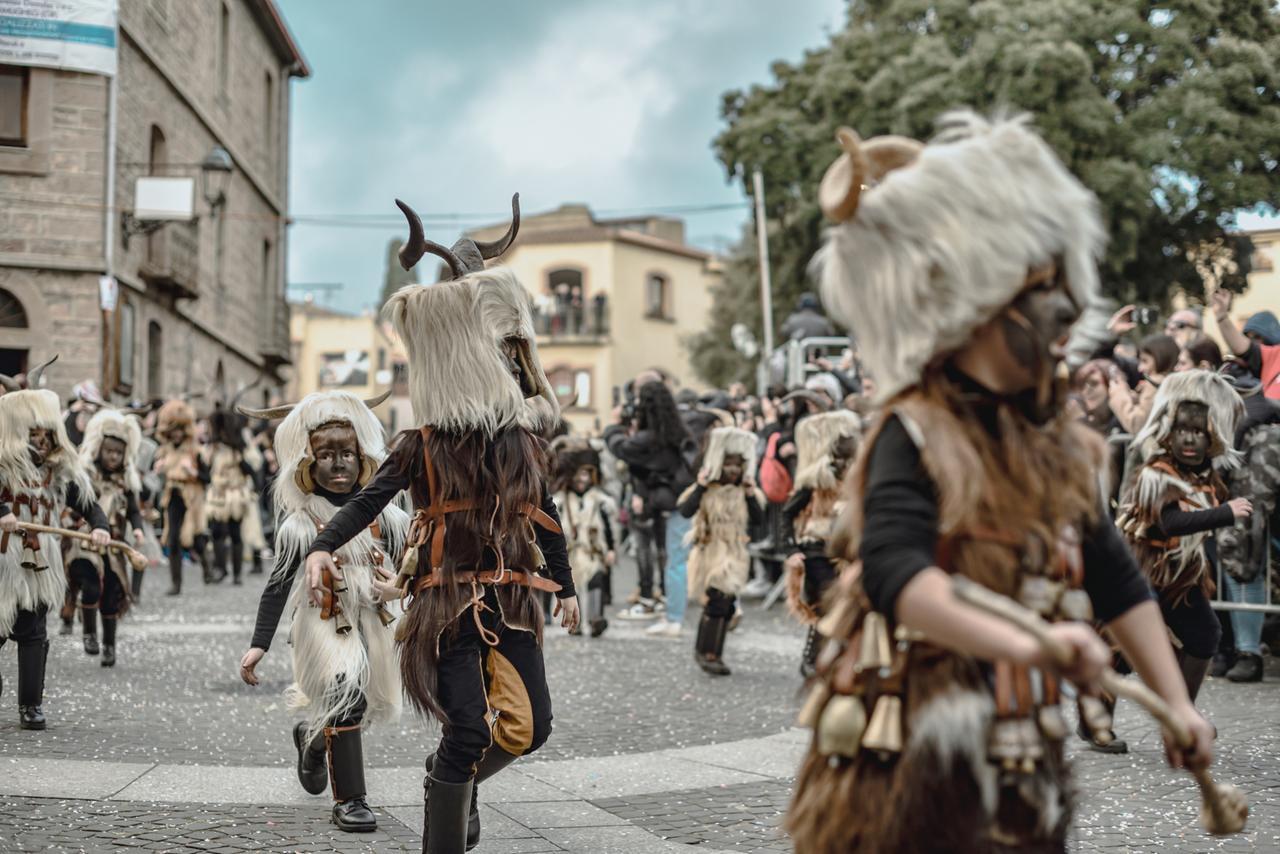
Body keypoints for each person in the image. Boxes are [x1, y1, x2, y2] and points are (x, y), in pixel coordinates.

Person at [785, 111, 1213, 853]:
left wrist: (1178, 705)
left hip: (1021, 745)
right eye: (1045, 313)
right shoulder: (912, 430)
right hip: (911, 753)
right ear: (980, 307)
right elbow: (896, 572)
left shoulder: (1061, 449)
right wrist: (1030, 645)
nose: (1063, 342)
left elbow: (1114, 576)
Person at [302, 196, 579, 853]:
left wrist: (565, 589)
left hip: (511, 598)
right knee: (467, 730)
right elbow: (368, 501)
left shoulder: (518, 442)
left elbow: (547, 517)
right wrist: (321, 546)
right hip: (445, 600)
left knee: (530, 728)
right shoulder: (419, 442)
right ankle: (445, 827)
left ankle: (448, 781)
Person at [239, 389, 407, 833]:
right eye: (326, 454)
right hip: (323, 621)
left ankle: (312, 741)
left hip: (372, 617)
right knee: (345, 692)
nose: (338, 464)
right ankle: (351, 800)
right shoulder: (299, 524)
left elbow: (409, 567)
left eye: (347, 453)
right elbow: (277, 586)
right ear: (308, 464)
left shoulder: (385, 515)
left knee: (360, 703)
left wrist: (404, 589)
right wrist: (259, 645)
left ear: (363, 457)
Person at [1119, 370, 1252, 702]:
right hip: (1145, 569)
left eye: (1198, 431)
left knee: (1205, 636)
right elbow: (1170, 522)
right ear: (1170, 430)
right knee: (1120, 649)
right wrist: (1224, 513)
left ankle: (1180, 712)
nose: (1190, 440)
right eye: (1182, 430)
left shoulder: (1203, 472)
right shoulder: (1156, 472)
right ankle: (1094, 723)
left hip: (1181, 573)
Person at [0, 357, 110, 729]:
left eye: (44, 434)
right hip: (3, 558)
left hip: (39, 560)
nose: (39, 441)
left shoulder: (57, 465)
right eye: (33, 434)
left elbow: (85, 499)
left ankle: (31, 705)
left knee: (34, 632)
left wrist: (98, 525)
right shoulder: (2, 460)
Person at [605, 381, 695, 630]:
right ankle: (672, 613)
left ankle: (674, 619)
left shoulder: (649, 438)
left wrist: (614, 425)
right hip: (681, 502)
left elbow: (620, 448)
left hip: (667, 503)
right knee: (674, 558)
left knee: (673, 560)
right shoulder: (678, 432)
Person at [63, 408, 146, 668]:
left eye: (118, 453)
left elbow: (133, 509)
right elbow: (74, 505)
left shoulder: (126, 482)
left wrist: (137, 528)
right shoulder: (84, 475)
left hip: (114, 545)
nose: (113, 456)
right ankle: (89, 634)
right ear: (99, 449)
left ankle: (110, 647)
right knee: (91, 585)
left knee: (111, 594)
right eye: (109, 451)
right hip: (83, 541)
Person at [678, 426, 763, 675]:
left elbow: (758, 520)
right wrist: (701, 486)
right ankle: (709, 653)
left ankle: (708, 651)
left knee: (725, 605)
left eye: (738, 464)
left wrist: (749, 493)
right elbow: (685, 510)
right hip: (710, 552)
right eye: (728, 464)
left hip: (735, 553)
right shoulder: (706, 489)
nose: (733, 469)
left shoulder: (744, 492)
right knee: (718, 601)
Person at [782, 410, 862, 676]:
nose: (845, 464)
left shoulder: (860, 481)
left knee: (843, 604)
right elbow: (787, 513)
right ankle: (811, 658)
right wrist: (791, 549)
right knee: (826, 603)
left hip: (845, 551)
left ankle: (830, 658)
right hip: (815, 549)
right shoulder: (815, 481)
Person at [549, 437, 615, 638]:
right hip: (570, 552)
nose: (582, 479)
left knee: (596, 581)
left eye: (586, 474)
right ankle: (574, 622)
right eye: (578, 474)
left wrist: (611, 549)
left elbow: (608, 528)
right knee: (572, 585)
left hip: (592, 551)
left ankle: (596, 619)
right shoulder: (559, 501)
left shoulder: (599, 500)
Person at [153, 399, 214, 593]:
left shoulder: (195, 451)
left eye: (180, 429)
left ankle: (207, 569)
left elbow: (207, 478)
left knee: (195, 538)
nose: (176, 433)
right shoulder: (164, 451)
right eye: (173, 429)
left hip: (192, 498)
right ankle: (176, 583)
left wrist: (193, 472)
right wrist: (158, 469)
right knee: (173, 539)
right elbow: (156, 474)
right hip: (173, 496)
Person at [204, 404, 261, 586]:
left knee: (235, 534)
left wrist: (255, 488)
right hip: (218, 495)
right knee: (217, 533)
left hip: (235, 495)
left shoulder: (237, 453)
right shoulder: (214, 450)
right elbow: (206, 470)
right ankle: (221, 568)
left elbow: (250, 469)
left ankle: (235, 573)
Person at [1212, 291, 1280, 399]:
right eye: (1247, 336)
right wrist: (1222, 317)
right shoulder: (1274, 356)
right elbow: (1241, 346)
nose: (1251, 341)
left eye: (1257, 337)